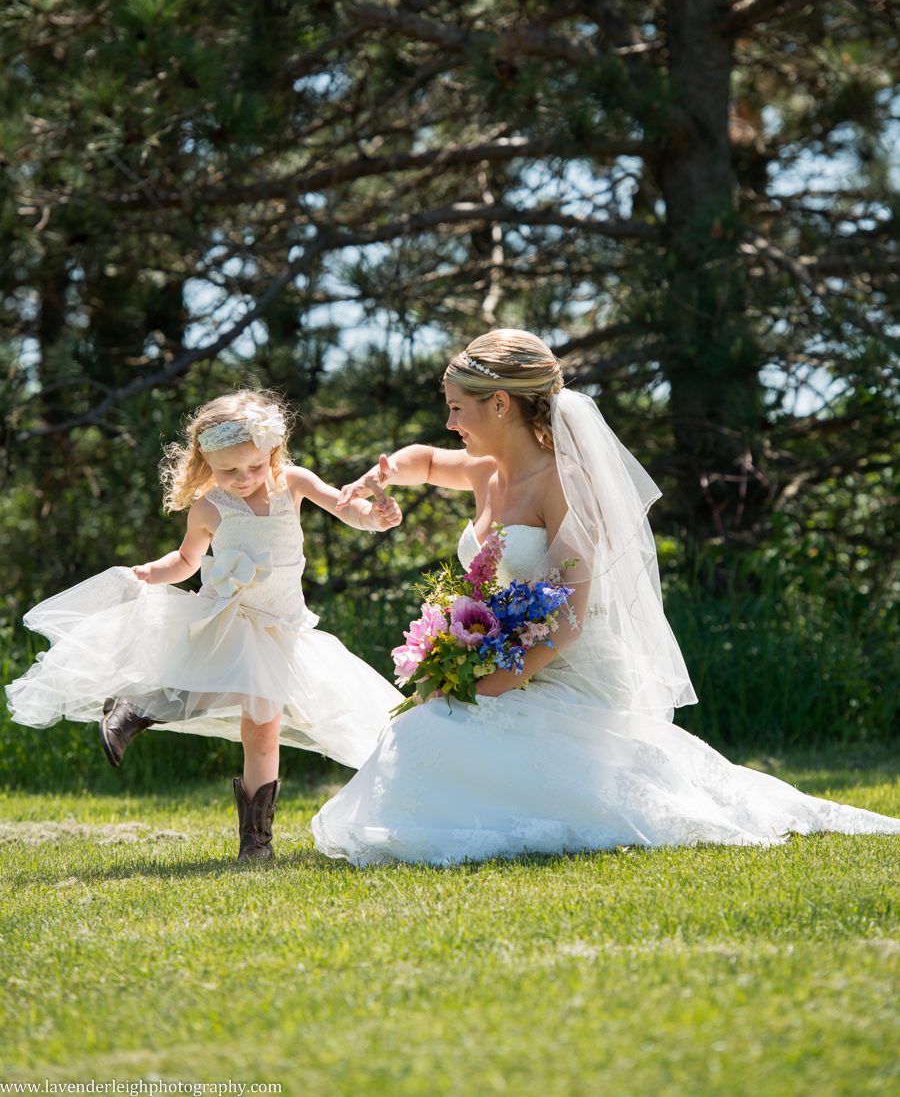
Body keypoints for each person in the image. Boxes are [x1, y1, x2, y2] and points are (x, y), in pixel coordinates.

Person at [312, 330, 900, 865]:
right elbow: (423, 460)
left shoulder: (565, 484)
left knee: (437, 730)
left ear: (501, 404)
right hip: (511, 661)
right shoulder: (483, 470)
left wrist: (485, 688)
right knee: (424, 731)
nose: (450, 423)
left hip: (568, 672)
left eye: (458, 408)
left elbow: (568, 620)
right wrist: (378, 477)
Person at [6, 390, 403, 862]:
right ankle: (139, 710)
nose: (244, 478)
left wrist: (375, 516)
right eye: (229, 470)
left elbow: (345, 506)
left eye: (254, 466)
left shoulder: (291, 484)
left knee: (262, 732)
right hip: (231, 618)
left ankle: (254, 840)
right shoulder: (211, 507)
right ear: (206, 462)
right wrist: (150, 573)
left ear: (272, 451)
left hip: (282, 626)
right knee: (229, 693)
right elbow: (186, 559)